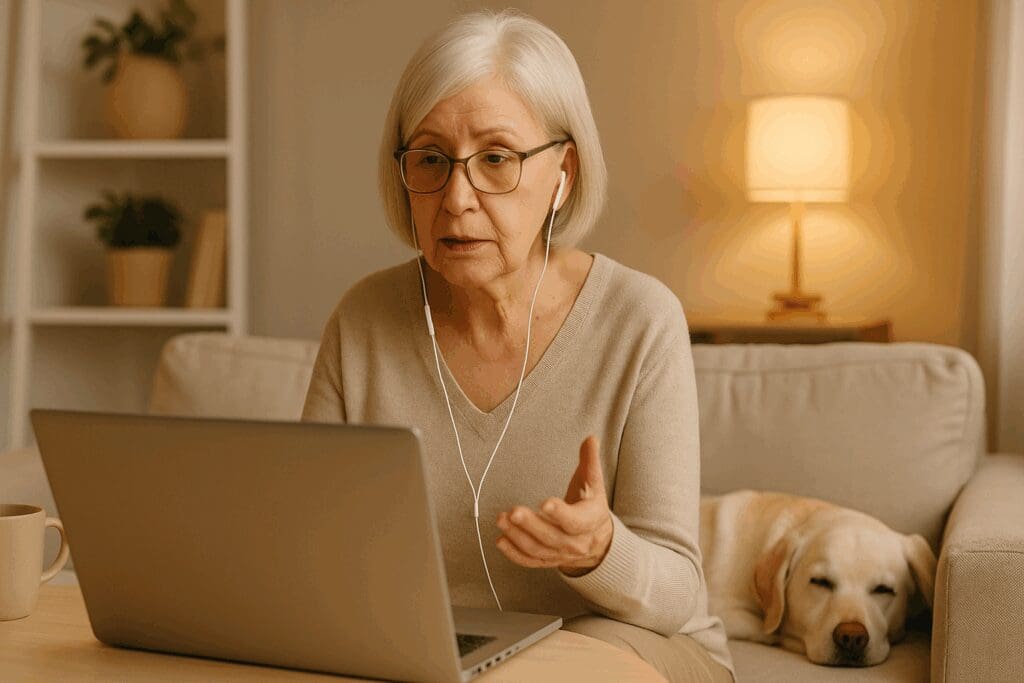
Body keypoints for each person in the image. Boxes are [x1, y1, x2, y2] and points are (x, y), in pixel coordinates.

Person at [301, 9, 735, 683]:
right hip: (430, 655)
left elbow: (678, 593)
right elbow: (310, 550)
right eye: (431, 159)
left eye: (496, 158)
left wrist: (598, 549)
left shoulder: (639, 319)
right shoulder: (363, 320)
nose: (456, 197)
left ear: (562, 173)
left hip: (628, 646)